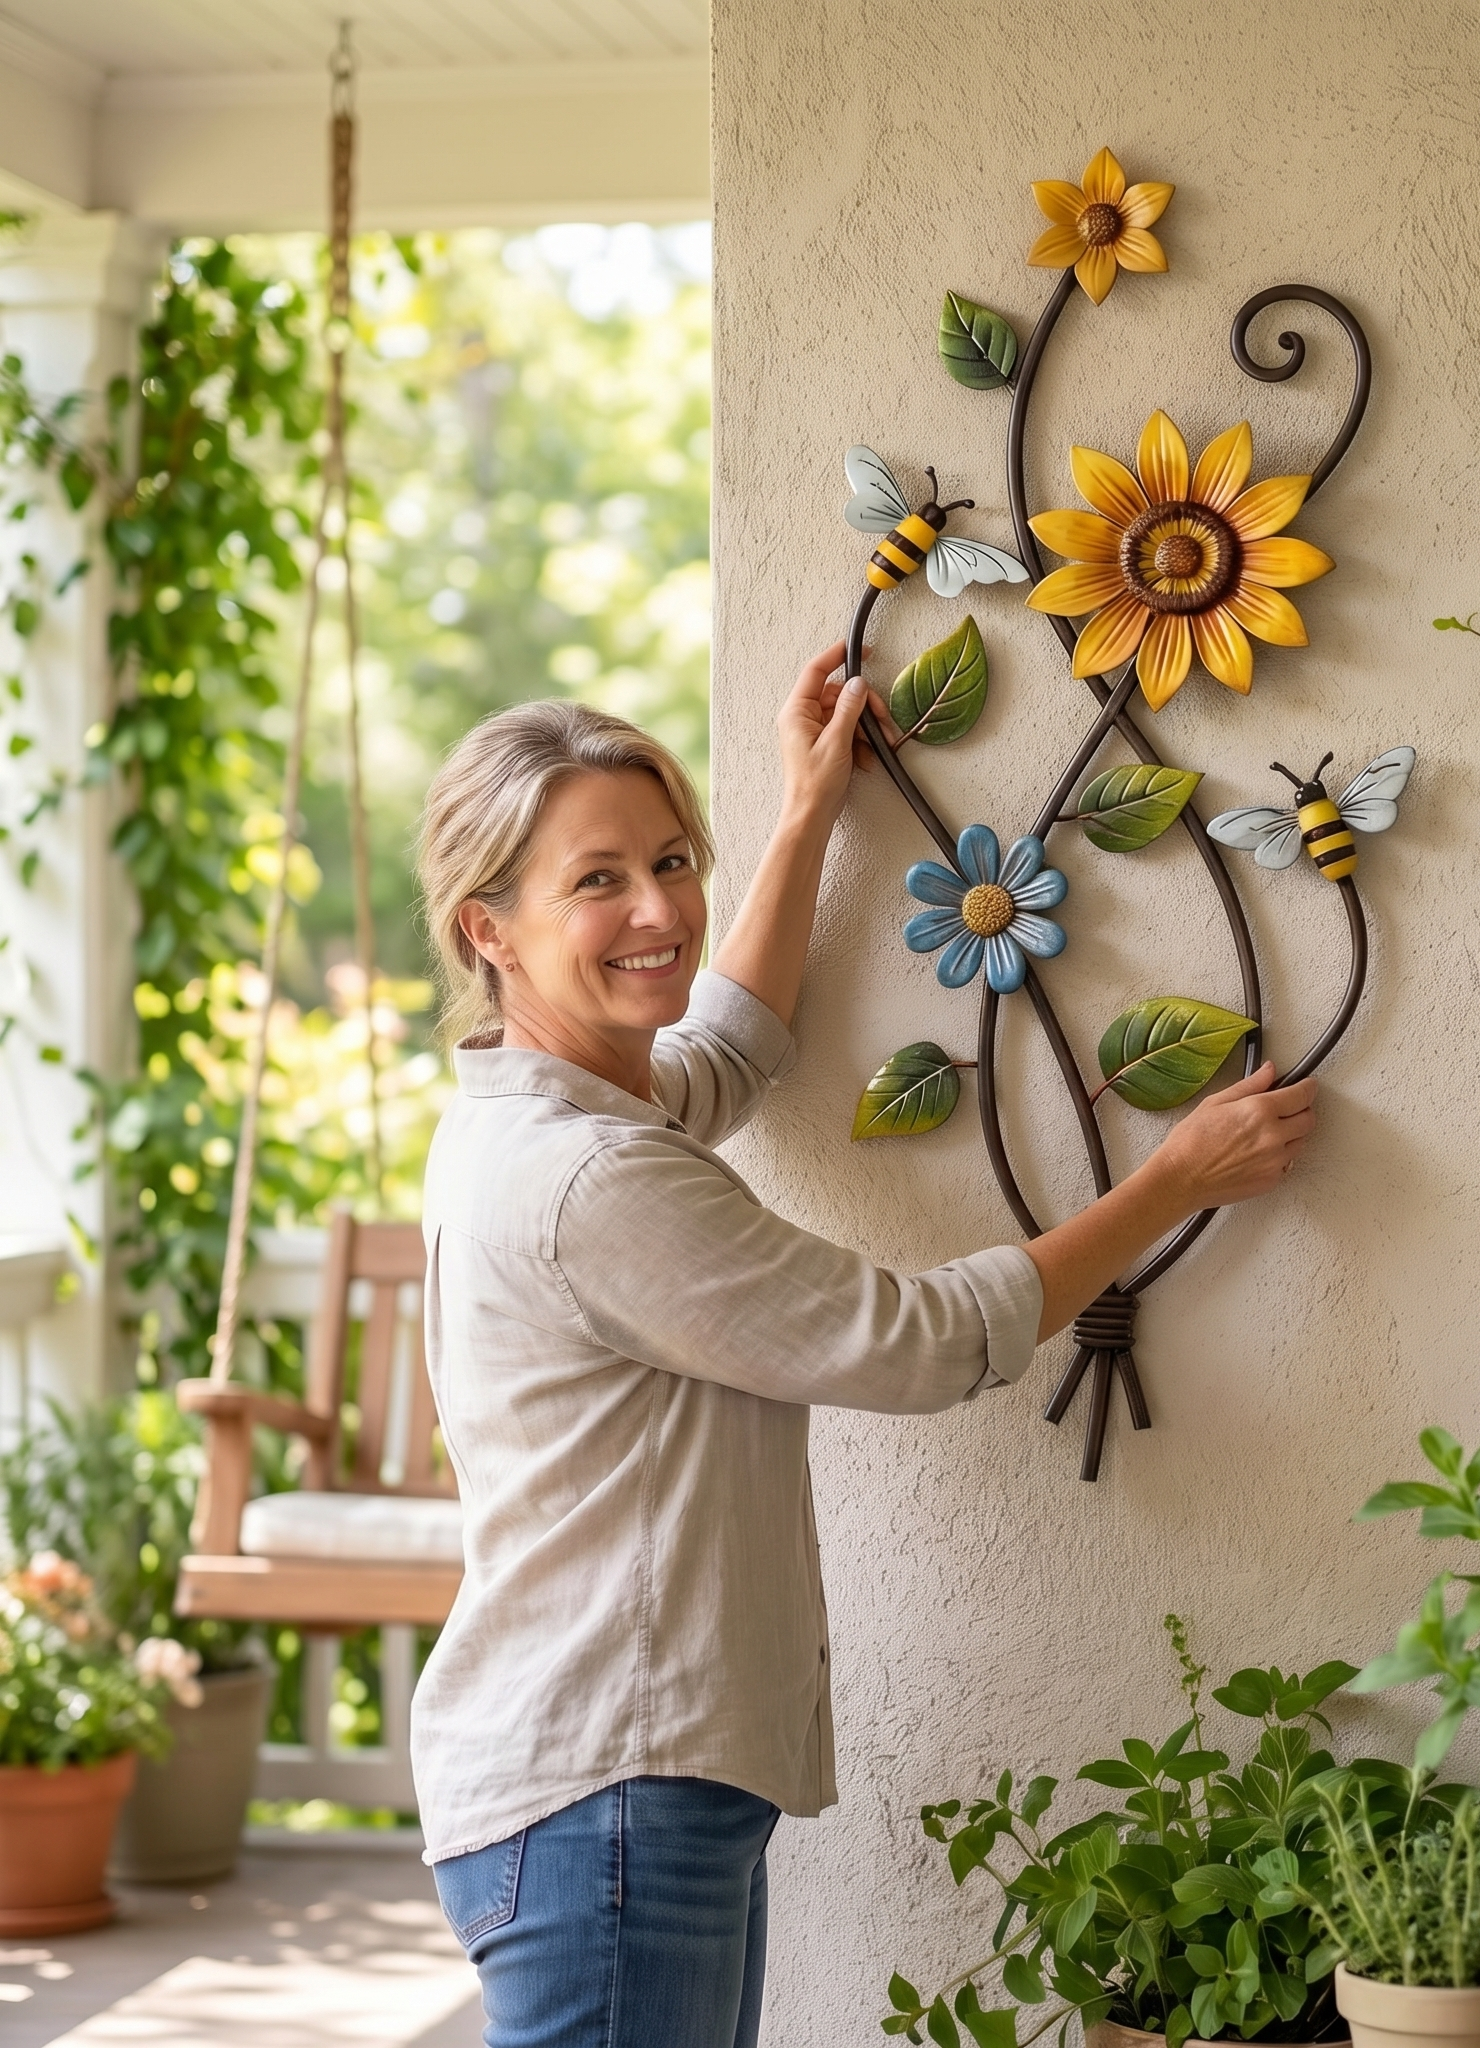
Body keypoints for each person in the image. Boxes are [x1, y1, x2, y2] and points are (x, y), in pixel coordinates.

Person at [409, 643, 1317, 2048]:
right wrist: (1175, 1181)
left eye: (671, 860)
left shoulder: (557, 1113)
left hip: (616, 1786)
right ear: (490, 930)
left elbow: (726, 1050)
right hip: (608, 1794)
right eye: (597, 881)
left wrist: (808, 810)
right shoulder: (591, 1178)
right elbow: (916, 1343)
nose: (659, 910)